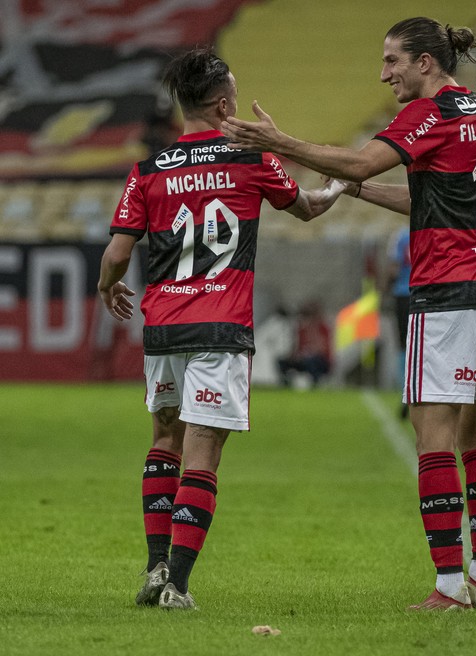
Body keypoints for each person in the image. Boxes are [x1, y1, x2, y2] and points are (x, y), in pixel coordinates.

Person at [221, 17, 476, 611]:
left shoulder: (428, 113)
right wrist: (357, 192)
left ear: (425, 62)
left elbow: (361, 162)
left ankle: (450, 586)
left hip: (449, 290)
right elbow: (433, 198)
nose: (384, 75)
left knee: (432, 437)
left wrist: (277, 142)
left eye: (392, 61)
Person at [96, 47, 344, 610]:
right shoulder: (250, 160)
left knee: (164, 442)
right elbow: (307, 207)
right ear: (225, 105)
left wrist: (107, 286)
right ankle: (178, 586)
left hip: (163, 328)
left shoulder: (147, 171)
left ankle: (157, 566)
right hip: (220, 327)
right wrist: (337, 186)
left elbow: (116, 255)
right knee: (202, 453)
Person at [386, 226, 412, 416]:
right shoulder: (433, 228)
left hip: (403, 295)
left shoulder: (401, 236)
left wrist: (385, 287)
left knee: (403, 344)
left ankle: (405, 389)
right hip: (427, 293)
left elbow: (394, 269)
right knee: (426, 344)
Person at [279, 300, 333, 388]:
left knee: (312, 362)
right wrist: (294, 356)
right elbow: (297, 348)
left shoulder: (322, 328)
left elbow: (323, 348)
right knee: (283, 362)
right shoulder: (302, 330)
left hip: (320, 360)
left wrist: (310, 351)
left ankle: (315, 384)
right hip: (304, 358)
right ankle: (286, 383)